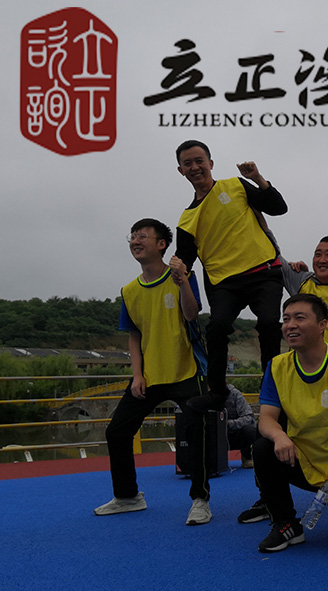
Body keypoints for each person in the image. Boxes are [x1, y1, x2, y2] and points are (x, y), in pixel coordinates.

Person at [94, 218, 211, 525]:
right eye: (133, 237)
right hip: (150, 375)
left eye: (142, 236)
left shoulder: (183, 276)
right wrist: (137, 375)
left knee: (196, 434)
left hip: (187, 371)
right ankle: (128, 497)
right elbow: (134, 336)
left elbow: (192, 314)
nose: (135, 241)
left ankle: (200, 499)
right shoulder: (129, 291)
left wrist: (181, 280)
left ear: (161, 244)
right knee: (117, 431)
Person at [252, 294, 328, 552]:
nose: (290, 325)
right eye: (286, 319)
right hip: (302, 459)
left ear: (322, 325)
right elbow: (266, 418)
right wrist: (280, 436)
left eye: (300, 318)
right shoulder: (277, 366)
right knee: (263, 447)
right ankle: (286, 524)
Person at [173, 140, 288, 412]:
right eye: (188, 163)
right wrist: (174, 267)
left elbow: (278, 207)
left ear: (210, 163)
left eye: (199, 161)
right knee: (217, 327)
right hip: (225, 283)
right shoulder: (187, 219)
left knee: (269, 323)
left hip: (263, 271)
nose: (195, 167)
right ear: (181, 170)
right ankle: (217, 391)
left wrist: (258, 178)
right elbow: (185, 260)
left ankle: (272, 386)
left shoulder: (236, 186)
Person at [223, 383, 256, 469]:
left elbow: (249, 418)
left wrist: (230, 423)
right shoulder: (203, 395)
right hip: (213, 436)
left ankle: (247, 457)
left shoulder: (235, 394)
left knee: (249, 429)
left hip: (233, 434)